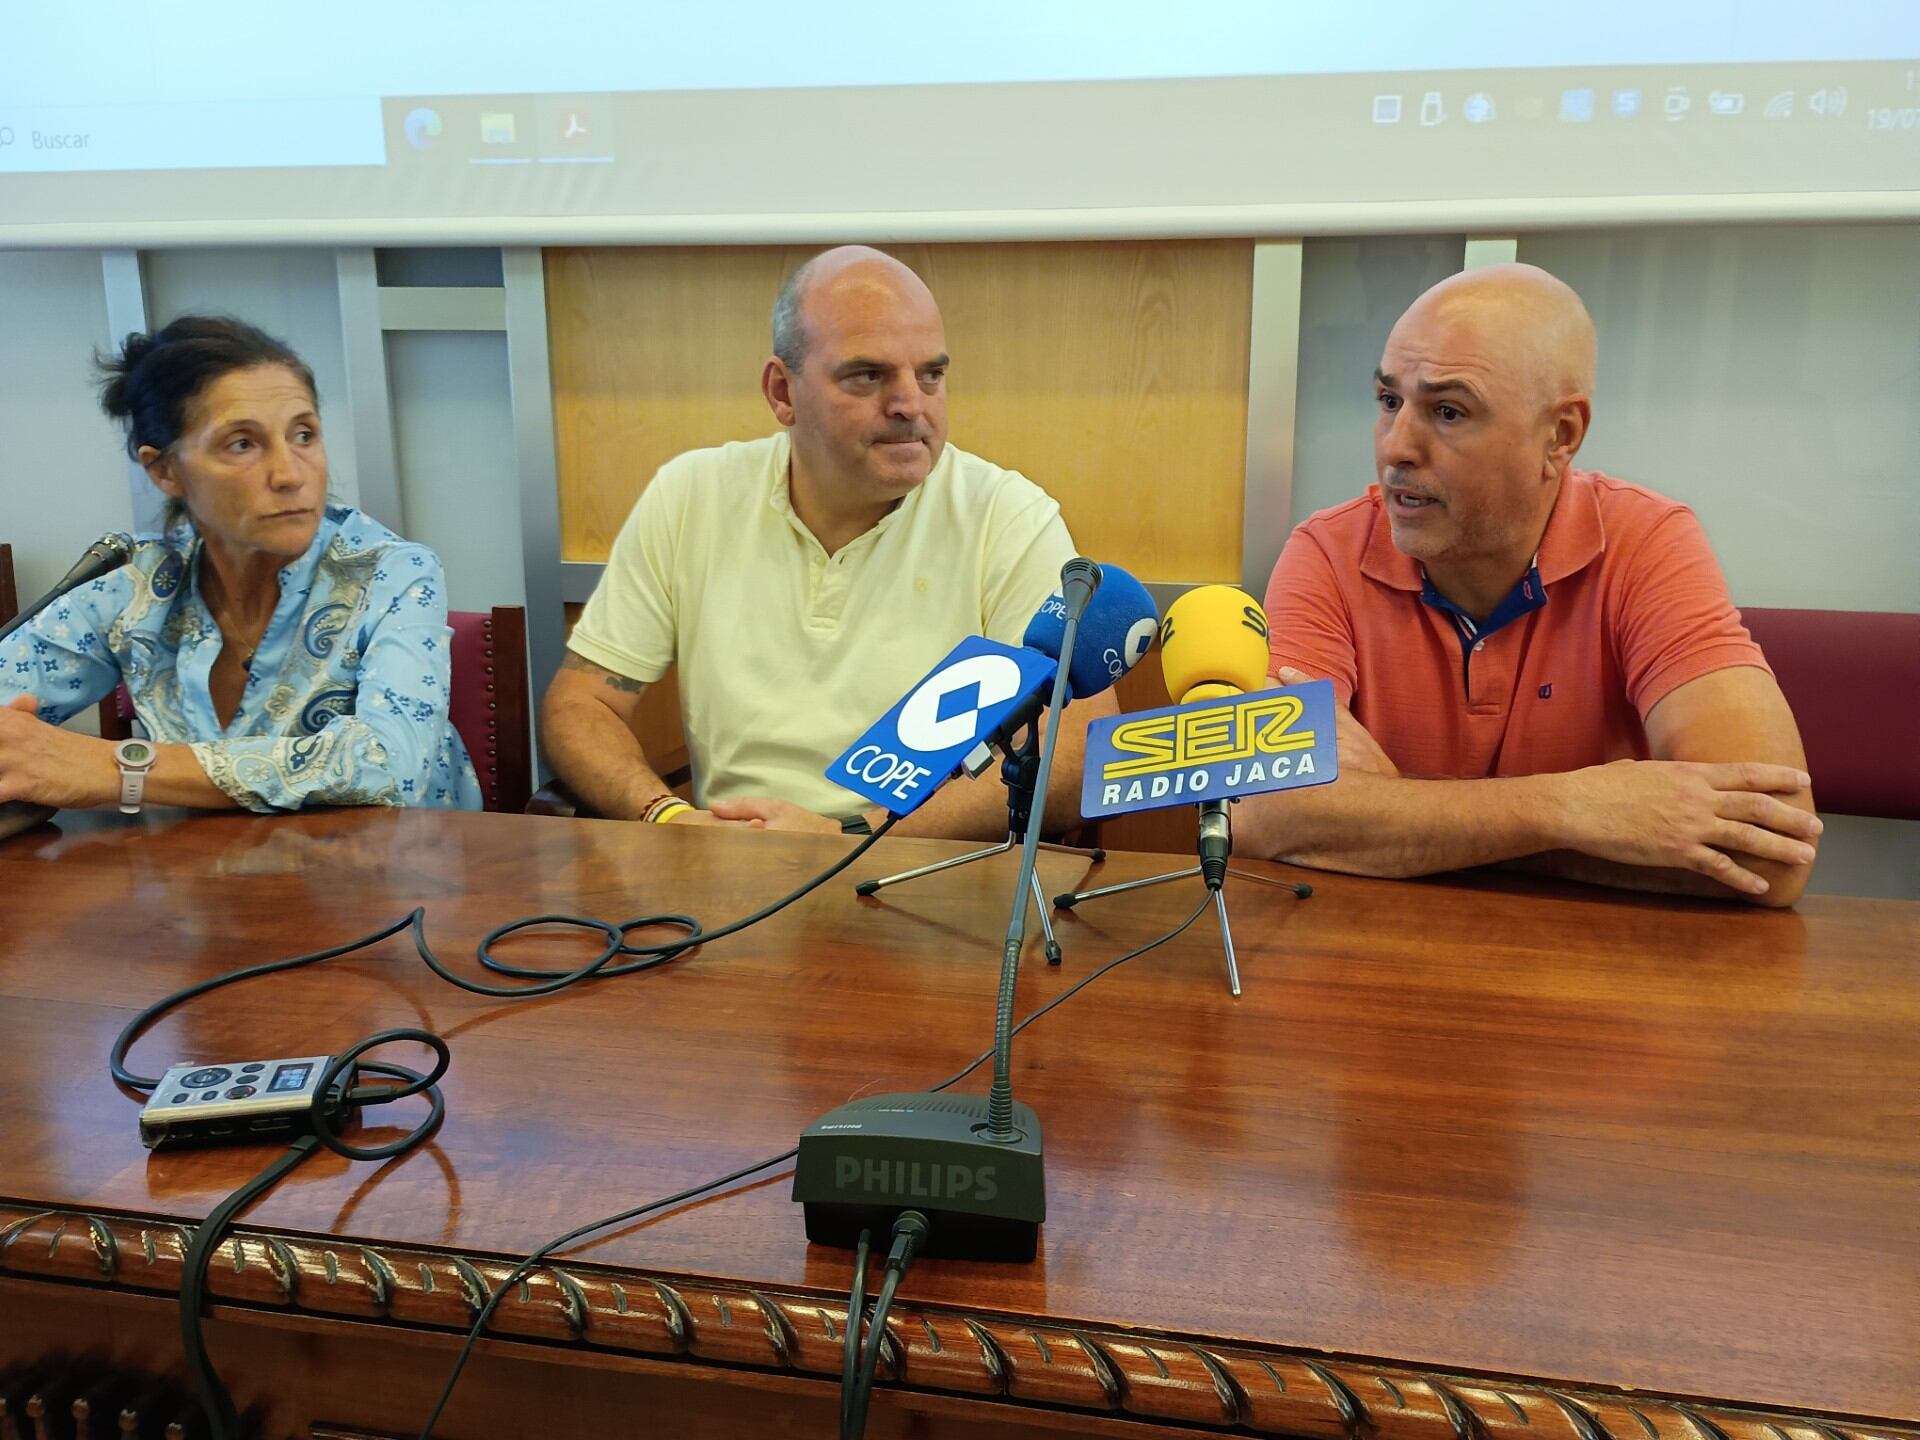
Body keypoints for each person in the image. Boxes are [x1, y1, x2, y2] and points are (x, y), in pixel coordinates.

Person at [1243, 264, 1820, 905]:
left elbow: (1769, 848)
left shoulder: (1647, 541)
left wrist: (1398, 813)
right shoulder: (1327, 551)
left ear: (1560, 437)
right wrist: (1571, 808)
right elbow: (1260, 814)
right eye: (1388, 401)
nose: (1396, 447)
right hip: (1378, 970)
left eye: (1449, 411)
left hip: (1597, 978)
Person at [541, 245, 1113, 838]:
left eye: (931, 375)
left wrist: (852, 838)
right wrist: (669, 817)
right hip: (729, 874)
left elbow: (1074, 756)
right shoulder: (693, 495)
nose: (910, 405)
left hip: (924, 877)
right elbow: (581, 705)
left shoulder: (1006, 515)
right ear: (782, 393)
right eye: (869, 375)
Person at [0, 316, 481, 814]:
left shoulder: (391, 571)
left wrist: (116, 768)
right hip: (204, 877)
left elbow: (389, 767)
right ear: (165, 470)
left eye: (303, 435)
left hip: (393, 877)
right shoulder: (130, 579)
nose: (290, 474)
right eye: (243, 444)